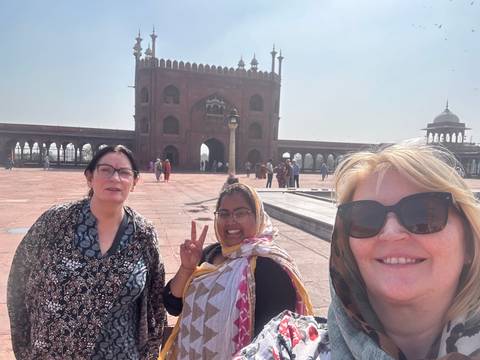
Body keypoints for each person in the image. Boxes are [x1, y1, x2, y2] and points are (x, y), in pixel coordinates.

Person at [236, 143, 480, 359]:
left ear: (469, 241)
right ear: (345, 248)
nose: (391, 232)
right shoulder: (288, 345)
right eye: (366, 218)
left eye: (423, 215)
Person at [7, 145, 166, 359]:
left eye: (124, 172)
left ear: (134, 182)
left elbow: (155, 303)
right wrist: (25, 350)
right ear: (89, 177)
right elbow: (17, 283)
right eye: (106, 170)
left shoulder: (143, 234)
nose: (115, 178)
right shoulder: (55, 223)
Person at [160, 183, 313, 359]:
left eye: (240, 213)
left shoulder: (270, 268)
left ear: (258, 217)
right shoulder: (211, 253)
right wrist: (187, 268)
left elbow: (275, 342)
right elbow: (173, 304)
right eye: (223, 214)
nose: (231, 221)